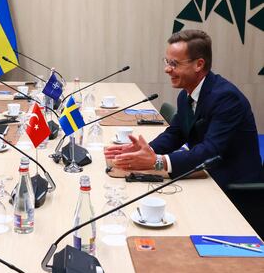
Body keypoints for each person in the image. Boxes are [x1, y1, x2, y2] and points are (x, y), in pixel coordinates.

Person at [104, 29, 262, 189]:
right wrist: (147, 150)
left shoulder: (226, 98)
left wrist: (158, 162)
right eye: (167, 62)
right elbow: (176, 133)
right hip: (204, 173)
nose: (167, 69)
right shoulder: (185, 94)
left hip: (234, 187)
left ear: (198, 64)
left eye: (174, 64)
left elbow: (211, 150)